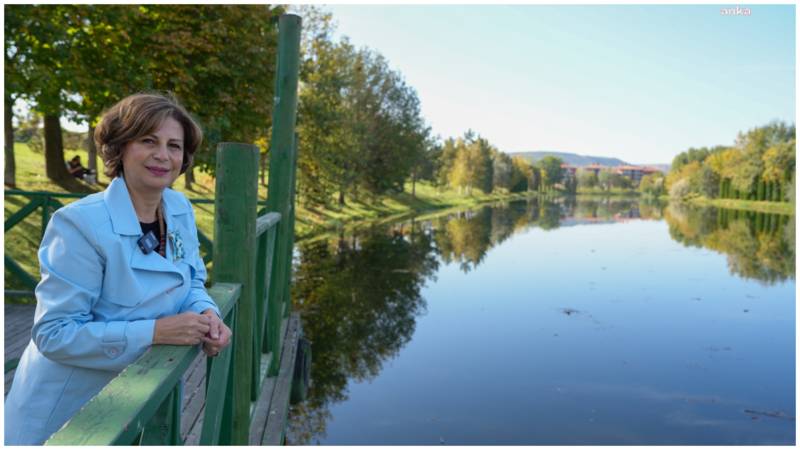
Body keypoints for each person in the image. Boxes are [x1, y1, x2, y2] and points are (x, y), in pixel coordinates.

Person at [4, 93, 232, 445]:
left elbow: (192, 279)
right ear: (120, 148)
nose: (162, 155)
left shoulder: (178, 208)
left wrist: (207, 312)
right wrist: (154, 332)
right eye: (148, 141)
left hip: (137, 399)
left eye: (174, 145)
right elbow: (54, 333)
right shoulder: (80, 224)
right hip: (66, 418)